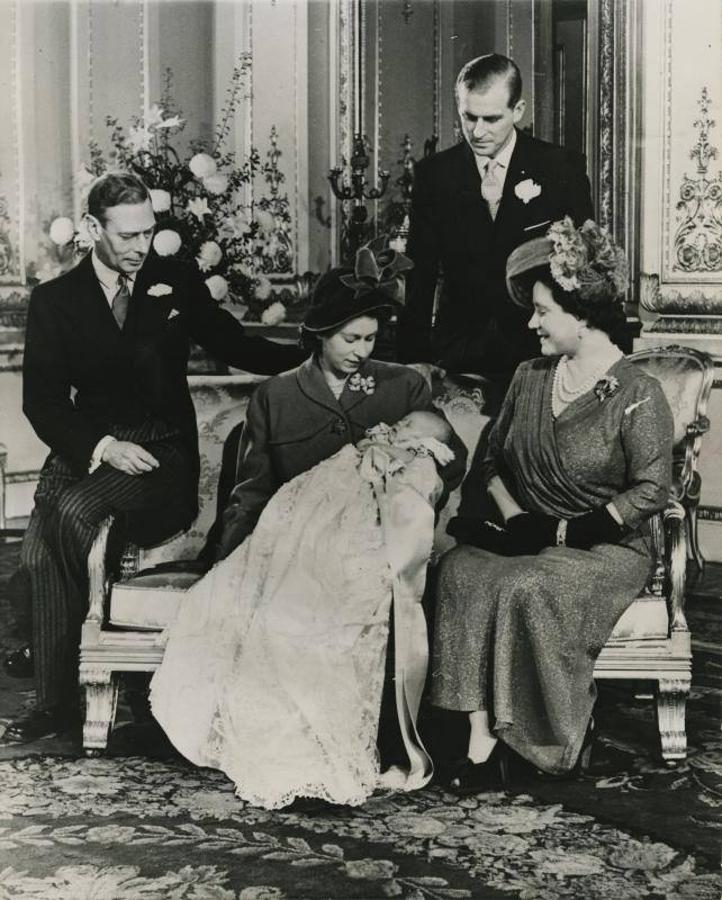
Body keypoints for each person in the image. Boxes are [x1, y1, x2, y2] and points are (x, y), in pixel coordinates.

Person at [150, 245, 467, 808]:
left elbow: (448, 457)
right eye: (350, 340)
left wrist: (408, 467)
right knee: (275, 607)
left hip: (378, 544)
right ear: (319, 333)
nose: (361, 352)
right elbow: (251, 491)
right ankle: (293, 748)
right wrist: (226, 557)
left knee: (363, 597)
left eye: (370, 340)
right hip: (295, 536)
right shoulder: (275, 397)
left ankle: (364, 746)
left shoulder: (403, 387)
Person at [2, 172, 306, 744]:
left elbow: (234, 343)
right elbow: (40, 402)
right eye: (128, 235)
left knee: (65, 515)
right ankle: (56, 703)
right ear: (93, 228)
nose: (142, 246)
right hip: (93, 447)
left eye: (149, 231)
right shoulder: (55, 301)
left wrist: (313, 352)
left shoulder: (174, 282)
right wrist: (101, 448)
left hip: (161, 452)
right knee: (40, 554)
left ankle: (56, 663)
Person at [430, 217, 674, 793]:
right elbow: (489, 460)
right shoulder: (530, 376)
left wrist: (570, 531)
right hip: (527, 533)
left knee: (527, 584)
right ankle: (480, 738)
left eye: (542, 311)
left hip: (607, 550)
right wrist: (516, 518)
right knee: (461, 571)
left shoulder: (639, 393)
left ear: (582, 314)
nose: (531, 321)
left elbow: (651, 489)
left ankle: (541, 740)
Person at [396, 53, 594, 395]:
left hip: (538, 350)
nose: (477, 131)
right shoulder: (434, 175)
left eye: (491, 118)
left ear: (518, 111)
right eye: (468, 117)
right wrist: (413, 363)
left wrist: (594, 353)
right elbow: (420, 276)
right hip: (458, 352)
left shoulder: (561, 168)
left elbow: (588, 269)